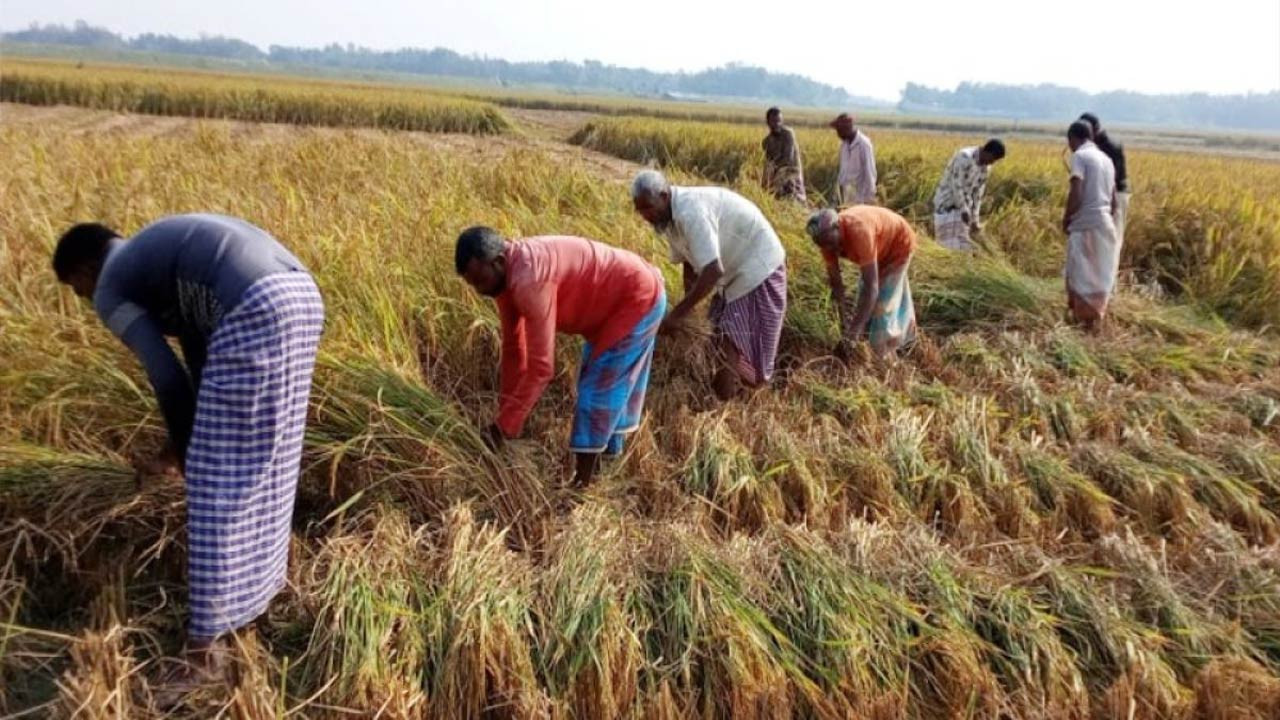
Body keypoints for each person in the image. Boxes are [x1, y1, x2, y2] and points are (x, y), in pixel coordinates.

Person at [51, 214, 325, 690]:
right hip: (301, 295)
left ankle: (203, 653)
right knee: (269, 463)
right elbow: (202, 369)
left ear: (84, 271)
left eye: (79, 291)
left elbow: (166, 375)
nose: (87, 300)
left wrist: (182, 456)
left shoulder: (111, 285)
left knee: (214, 479)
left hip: (256, 304)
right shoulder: (166, 265)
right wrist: (176, 445)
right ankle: (256, 598)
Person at [455, 227, 665, 487]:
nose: (479, 290)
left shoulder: (529, 279)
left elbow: (542, 368)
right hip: (614, 303)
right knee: (601, 384)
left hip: (637, 298)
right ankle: (607, 463)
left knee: (596, 392)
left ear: (497, 261)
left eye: (480, 280)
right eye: (472, 284)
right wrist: (506, 417)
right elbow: (513, 349)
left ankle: (583, 485)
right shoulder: (506, 275)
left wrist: (502, 428)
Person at [630, 169, 787, 400]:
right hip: (734, 273)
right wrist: (689, 310)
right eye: (640, 210)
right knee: (715, 333)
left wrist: (677, 315)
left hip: (759, 267)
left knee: (728, 338)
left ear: (664, 196)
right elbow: (690, 263)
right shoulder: (669, 219)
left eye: (648, 207)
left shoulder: (691, 212)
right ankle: (732, 394)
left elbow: (713, 270)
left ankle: (722, 405)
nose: (645, 215)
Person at [806, 206, 917, 357]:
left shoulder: (859, 231)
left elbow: (872, 289)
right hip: (879, 247)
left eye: (831, 243)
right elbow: (836, 285)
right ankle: (908, 337)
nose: (829, 249)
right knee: (865, 306)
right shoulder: (825, 239)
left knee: (881, 307)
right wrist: (844, 323)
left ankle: (886, 355)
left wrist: (852, 335)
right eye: (823, 245)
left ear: (837, 227)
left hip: (898, 244)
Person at [1062, 120, 1120, 331]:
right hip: (1105, 226)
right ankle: (1094, 322)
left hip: (1085, 226)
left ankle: (1081, 323)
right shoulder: (1107, 159)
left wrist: (1067, 218)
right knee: (1098, 276)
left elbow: (1076, 193)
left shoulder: (1080, 156)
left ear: (1072, 138)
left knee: (1081, 275)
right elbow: (1114, 202)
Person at [932, 139, 1007, 251]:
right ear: (986, 151)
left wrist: (975, 219)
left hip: (964, 210)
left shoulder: (985, 168)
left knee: (961, 246)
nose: (992, 163)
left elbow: (978, 194)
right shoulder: (964, 157)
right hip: (946, 204)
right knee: (945, 244)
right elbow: (957, 185)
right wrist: (963, 209)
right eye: (992, 159)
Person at [1079, 113, 1131, 243]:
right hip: (1108, 195)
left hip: (1116, 195)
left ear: (1094, 129)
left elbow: (1111, 178)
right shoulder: (1100, 144)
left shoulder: (1108, 146)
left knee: (1112, 238)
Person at [761, 107, 807, 202]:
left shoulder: (788, 134)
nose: (777, 124)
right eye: (774, 121)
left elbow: (787, 159)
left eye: (779, 121)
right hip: (777, 177)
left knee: (795, 200)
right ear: (768, 122)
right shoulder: (766, 142)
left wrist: (774, 171)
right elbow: (768, 162)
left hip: (792, 175)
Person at [831, 112, 877, 206]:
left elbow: (870, 173)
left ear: (847, 128)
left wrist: (869, 200)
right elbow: (842, 172)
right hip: (845, 197)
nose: (838, 134)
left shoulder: (864, 144)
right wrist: (838, 194)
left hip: (860, 199)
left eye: (839, 131)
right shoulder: (844, 145)